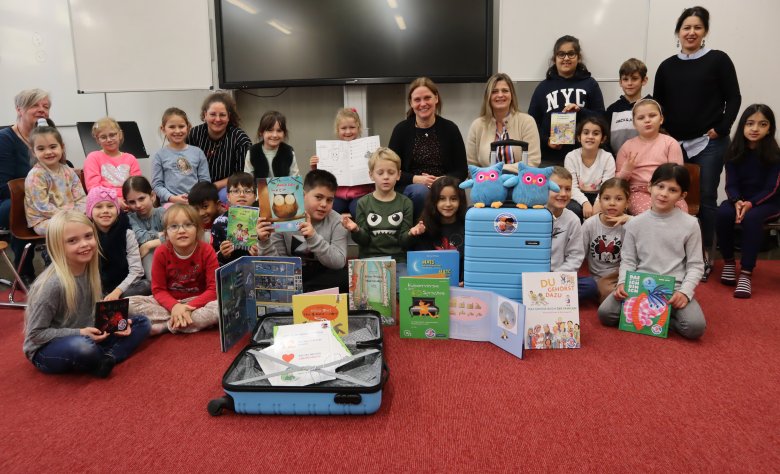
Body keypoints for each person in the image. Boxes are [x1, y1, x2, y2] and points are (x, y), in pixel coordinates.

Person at [654, 5, 741, 276]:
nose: (691, 32)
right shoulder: (667, 67)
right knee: (674, 197)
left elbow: (734, 97)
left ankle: (705, 256)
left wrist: (722, 127)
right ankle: (674, 255)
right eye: (686, 27)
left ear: (705, 31)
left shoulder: (718, 60)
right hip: (675, 143)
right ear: (678, 32)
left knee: (704, 198)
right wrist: (664, 130)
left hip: (709, 143)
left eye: (697, 27)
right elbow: (659, 104)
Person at [23, 210, 150, 377]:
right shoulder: (51, 285)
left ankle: (104, 359)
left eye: (88, 236)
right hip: (48, 348)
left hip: (88, 334)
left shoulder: (90, 269)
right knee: (82, 346)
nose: (84, 244)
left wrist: (116, 324)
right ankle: (101, 356)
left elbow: (96, 311)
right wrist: (80, 332)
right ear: (57, 246)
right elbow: (36, 335)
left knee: (142, 323)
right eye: (72, 241)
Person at [598, 164, 706, 340]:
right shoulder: (634, 223)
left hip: (674, 288)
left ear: (682, 195)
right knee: (605, 313)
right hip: (639, 286)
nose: (663, 193)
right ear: (650, 187)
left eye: (672, 190)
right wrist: (622, 283)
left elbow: (695, 265)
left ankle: (660, 315)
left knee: (695, 327)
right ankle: (659, 317)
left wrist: (685, 293)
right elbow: (628, 260)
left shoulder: (691, 224)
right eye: (660, 186)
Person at [715, 104, 780, 299]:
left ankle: (746, 273)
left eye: (762, 124)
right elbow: (731, 184)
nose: (755, 128)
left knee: (751, 219)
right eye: (750, 123)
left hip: (768, 202)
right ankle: (728, 262)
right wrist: (737, 201)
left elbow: (772, 188)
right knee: (723, 213)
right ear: (742, 126)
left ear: (770, 128)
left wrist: (750, 204)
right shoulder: (733, 152)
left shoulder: (775, 156)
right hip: (740, 200)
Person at [128, 204, 219, 335]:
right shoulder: (161, 252)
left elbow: (213, 290)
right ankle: (183, 321)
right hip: (168, 304)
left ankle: (166, 326)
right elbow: (158, 290)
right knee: (130, 304)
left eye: (188, 225)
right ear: (166, 233)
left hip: (199, 302)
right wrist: (175, 306)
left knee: (220, 308)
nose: (181, 230)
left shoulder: (206, 250)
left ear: (198, 229)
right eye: (174, 226)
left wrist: (187, 308)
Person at [256, 169, 349, 292]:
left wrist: (313, 237)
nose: (324, 204)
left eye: (329, 200)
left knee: (344, 278)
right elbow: (277, 264)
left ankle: (302, 294)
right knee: (264, 276)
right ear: (303, 195)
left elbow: (338, 262)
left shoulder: (338, 221)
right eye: (318, 197)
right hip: (292, 273)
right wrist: (264, 241)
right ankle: (303, 293)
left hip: (324, 275)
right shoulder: (281, 217)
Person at [387, 77, 468, 217]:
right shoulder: (401, 130)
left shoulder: (450, 129)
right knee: (420, 192)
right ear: (411, 103)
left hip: (444, 186)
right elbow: (391, 170)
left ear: (436, 98)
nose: (422, 103)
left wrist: (442, 181)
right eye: (417, 99)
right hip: (411, 188)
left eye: (427, 98)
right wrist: (416, 179)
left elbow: (462, 171)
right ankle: (420, 235)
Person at [528, 35, 605, 167]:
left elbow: (602, 119)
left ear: (578, 57)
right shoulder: (543, 88)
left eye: (571, 54)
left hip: (583, 158)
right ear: (554, 58)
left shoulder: (590, 84)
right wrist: (546, 141)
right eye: (561, 54)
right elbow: (531, 124)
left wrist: (580, 111)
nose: (566, 58)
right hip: (550, 159)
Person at [342, 148, 424, 270]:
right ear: (371, 175)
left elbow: (404, 241)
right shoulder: (363, 203)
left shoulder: (406, 203)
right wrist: (356, 230)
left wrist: (412, 233)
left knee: (401, 288)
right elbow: (363, 240)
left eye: (391, 173)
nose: (386, 177)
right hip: (369, 261)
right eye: (380, 173)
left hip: (398, 261)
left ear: (398, 175)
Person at [0, 89, 51, 282]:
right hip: (9, 201)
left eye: (45, 107)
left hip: (40, 197)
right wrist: (36, 191)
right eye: (35, 105)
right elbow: (4, 187)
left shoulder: (46, 135)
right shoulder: (5, 139)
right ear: (19, 109)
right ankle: (25, 271)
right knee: (23, 204)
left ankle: (58, 264)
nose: (41, 110)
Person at [615, 99, 687, 215]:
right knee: (649, 214)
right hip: (638, 191)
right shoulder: (627, 146)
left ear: (661, 119)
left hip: (666, 189)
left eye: (652, 115)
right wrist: (626, 170)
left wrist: (663, 190)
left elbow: (678, 174)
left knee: (680, 213)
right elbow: (617, 180)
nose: (647, 120)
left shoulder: (670, 143)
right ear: (634, 124)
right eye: (641, 118)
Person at [467, 72, 542, 172]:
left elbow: (533, 161)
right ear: (488, 97)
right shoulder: (477, 125)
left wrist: (497, 170)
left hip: (519, 183)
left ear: (512, 95)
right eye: (494, 91)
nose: (500, 95)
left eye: (505, 91)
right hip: (487, 183)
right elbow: (471, 165)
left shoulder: (527, 122)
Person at [187, 92, 252, 203]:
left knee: (223, 198)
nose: (217, 119)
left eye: (222, 115)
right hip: (196, 187)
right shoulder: (194, 134)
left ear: (229, 117)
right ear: (205, 115)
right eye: (212, 114)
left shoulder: (240, 139)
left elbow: (241, 175)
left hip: (226, 188)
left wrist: (212, 187)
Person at [86, 186, 150, 299]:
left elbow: (136, 270)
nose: (105, 210)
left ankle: (115, 299)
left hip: (125, 286)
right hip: (98, 287)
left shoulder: (127, 233)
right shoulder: (86, 235)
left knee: (146, 286)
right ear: (90, 211)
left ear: (117, 210)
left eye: (110, 206)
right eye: (98, 207)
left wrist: (117, 292)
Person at [310, 108, 374, 218]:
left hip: (361, 194)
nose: (348, 131)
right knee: (326, 209)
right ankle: (327, 235)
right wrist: (315, 166)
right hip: (337, 195)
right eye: (344, 128)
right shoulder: (329, 149)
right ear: (337, 130)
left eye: (352, 127)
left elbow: (376, 170)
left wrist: (375, 160)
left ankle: (361, 234)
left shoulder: (367, 148)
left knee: (360, 210)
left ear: (358, 128)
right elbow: (321, 178)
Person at [24, 125, 87, 236]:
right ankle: (58, 253)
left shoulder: (68, 171)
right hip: (45, 221)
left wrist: (78, 214)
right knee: (71, 228)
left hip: (71, 216)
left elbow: (81, 197)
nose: (48, 152)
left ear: (62, 147)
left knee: (94, 219)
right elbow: (43, 207)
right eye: (41, 149)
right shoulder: (36, 176)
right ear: (33, 152)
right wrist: (69, 218)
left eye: (53, 147)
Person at [546, 167, 596, 301]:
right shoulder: (533, 215)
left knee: (591, 286)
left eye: (567, 189)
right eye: (557, 188)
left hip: (558, 279)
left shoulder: (573, 220)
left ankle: (550, 298)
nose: (563, 193)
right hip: (532, 277)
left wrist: (556, 278)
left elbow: (575, 255)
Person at [581, 178, 631, 302]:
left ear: (627, 203)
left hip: (624, 275)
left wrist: (630, 220)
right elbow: (578, 253)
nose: (612, 203)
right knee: (600, 289)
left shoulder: (632, 224)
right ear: (600, 201)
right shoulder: (589, 225)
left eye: (619, 199)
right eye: (607, 198)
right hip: (599, 278)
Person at [151, 107, 211, 205]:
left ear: (188, 127)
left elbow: (205, 182)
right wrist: (172, 198)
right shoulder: (159, 156)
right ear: (163, 129)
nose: (177, 131)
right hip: (170, 203)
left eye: (181, 126)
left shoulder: (198, 153)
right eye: (172, 127)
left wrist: (195, 198)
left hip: (195, 202)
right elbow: (157, 185)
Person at [413, 176, 467, 284]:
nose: (448, 204)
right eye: (441, 199)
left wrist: (466, 281)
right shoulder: (424, 228)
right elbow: (421, 267)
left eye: (453, 199)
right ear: (433, 201)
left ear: (460, 201)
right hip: (433, 287)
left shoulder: (468, 227)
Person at [83, 117, 142, 209]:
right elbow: (93, 188)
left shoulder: (131, 159)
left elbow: (137, 185)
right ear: (97, 140)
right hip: (104, 203)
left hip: (129, 201)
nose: (109, 139)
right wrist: (114, 200)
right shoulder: (93, 157)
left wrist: (129, 201)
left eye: (112, 135)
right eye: (103, 137)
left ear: (120, 135)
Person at [563, 116, 615, 220]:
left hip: (601, 195)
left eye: (596, 133)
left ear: (603, 138)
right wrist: (585, 202)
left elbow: (607, 186)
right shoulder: (571, 157)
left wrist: (598, 202)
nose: (590, 137)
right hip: (577, 195)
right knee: (572, 209)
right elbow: (571, 186)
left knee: (609, 208)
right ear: (579, 137)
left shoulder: (607, 157)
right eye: (586, 133)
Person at [605, 58, 652, 155]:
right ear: (620, 82)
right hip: (617, 163)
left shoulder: (653, 106)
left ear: (644, 80)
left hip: (646, 161)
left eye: (634, 78)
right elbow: (605, 139)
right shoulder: (612, 109)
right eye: (625, 79)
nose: (629, 83)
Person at [123, 176, 165, 281]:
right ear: (127, 203)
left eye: (141, 198)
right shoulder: (129, 218)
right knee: (148, 253)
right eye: (132, 202)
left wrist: (149, 244)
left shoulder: (162, 213)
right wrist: (161, 236)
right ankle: (155, 284)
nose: (138, 205)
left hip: (169, 255)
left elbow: (175, 236)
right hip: (146, 262)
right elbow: (139, 237)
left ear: (152, 196)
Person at [212, 172, 258, 265]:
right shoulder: (219, 223)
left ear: (255, 196)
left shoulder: (262, 222)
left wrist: (260, 253)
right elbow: (214, 258)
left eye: (248, 191)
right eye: (236, 191)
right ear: (228, 196)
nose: (242, 195)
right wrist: (223, 254)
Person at [245, 110, 299, 180]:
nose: (275, 135)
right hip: (258, 191)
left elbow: (295, 179)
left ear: (284, 133)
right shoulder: (252, 152)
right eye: (270, 130)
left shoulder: (289, 151)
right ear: (261, 132)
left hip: (284, 190)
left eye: (279, 131)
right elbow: (247, 181)